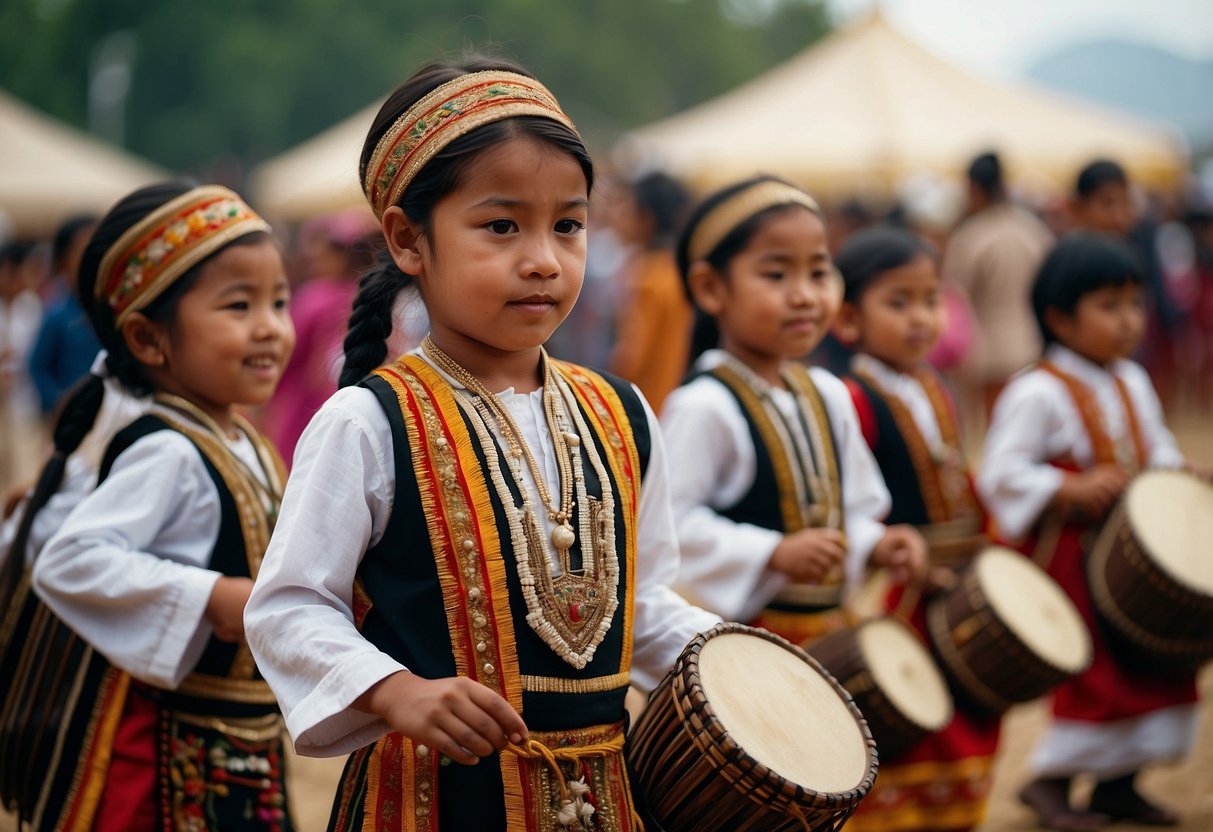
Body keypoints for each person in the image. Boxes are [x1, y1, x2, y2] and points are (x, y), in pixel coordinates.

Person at [242, 59, 721, 830]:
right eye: (501, 226)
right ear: (407, 239)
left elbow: (642, 603)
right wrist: (397, 692)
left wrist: (737, 663)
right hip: (429, 804)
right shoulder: (367, 422)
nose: (542, 258)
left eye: (567, 224)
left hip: (607, 800)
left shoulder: (623, 412)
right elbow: (291, 606)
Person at [2, 181, 297, 831]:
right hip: (164, 762)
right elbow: (70, 562)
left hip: (243, 742)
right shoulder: (170, 450)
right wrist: (213, 595)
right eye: (238, 305)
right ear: (146, 337)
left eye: (279, 301)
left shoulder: (243, 437)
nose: (270, 327)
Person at [979, 233, 1198, 831]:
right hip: (1075, 563)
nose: (1129, 321)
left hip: (1133, 561)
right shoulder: (1037, 390)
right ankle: (1049, 783)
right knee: (1098, 677)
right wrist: (1066, 487)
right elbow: (1001, 473)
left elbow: (1156, 451)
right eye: (1109, 306)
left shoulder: (1132, 379)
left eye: (1135, 303)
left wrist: (1180, 474)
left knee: (1156, 663)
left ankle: (1120, 784)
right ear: (1059, 317)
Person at [658, 175, 927, 646]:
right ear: (710, 288)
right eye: (777, 274)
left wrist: (875, 543)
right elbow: (672, 528)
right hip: (740, 649)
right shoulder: (705, 406)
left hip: (826, 636)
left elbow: (854, 511)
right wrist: (772, 553)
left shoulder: (828, 393)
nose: (804, 295)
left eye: (819, 273)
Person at [831, 225, 996, 832]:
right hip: (898, 591)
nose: (921, 317)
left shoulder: (934, 386)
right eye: (898, 302)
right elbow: (850, 502)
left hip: (953, 582)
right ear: (848, 319)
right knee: (908, 715)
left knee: (963, 712)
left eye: (931, 299)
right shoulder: (854, 398)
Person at [941, 152, 1053, 432]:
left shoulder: (971, 236)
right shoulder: (1034, 229)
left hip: (988, 353)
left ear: (975, 189)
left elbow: (954, 295)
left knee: (997, 433)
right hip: (1033, 344)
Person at [262, 207, 378, 465]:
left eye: (329, 247)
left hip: (301, 420)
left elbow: (281, 357)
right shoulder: (372, 299)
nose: (315, 253)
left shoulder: (317, 296)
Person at [606, 170, 693, 412]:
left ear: (646, 218)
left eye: (625, 206)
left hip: (647, 407)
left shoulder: (649, 278)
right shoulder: (675, 269)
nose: (618, 215)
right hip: (672, 400)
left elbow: (631, 358)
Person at [27, 214, 102, 416]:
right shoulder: (57, 315)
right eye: (83, 249)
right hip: (72, 419)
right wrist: (57, 402)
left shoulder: (109, 310)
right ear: (62, 260)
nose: (93, 256)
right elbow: (37, 368)